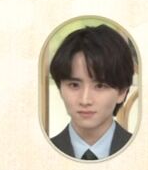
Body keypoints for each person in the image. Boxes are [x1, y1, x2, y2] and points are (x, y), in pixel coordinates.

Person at [47, 24, 135, 160]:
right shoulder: (38, 155)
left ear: (122, 92)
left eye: (100, 86)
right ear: (60, 88)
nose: (85, 100)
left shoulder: (145, 154)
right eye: (74, 85)